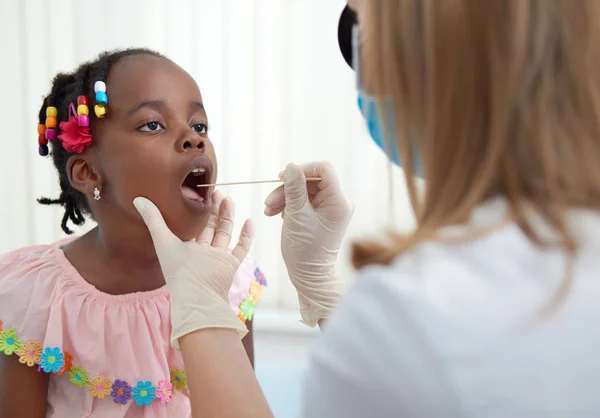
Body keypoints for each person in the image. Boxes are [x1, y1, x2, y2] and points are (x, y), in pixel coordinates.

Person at [134, 0, 600, 417]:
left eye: (366, 46)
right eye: (152, 124)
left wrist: (202, 316)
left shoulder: (413, 318)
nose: (364, 80)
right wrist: (323, 290)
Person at [0, 48, 267, 417]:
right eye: (153, 124)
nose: (194, 139)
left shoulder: (227, 277)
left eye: (199, 125)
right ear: (88, 173)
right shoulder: (37, 299)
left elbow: (241, 402)